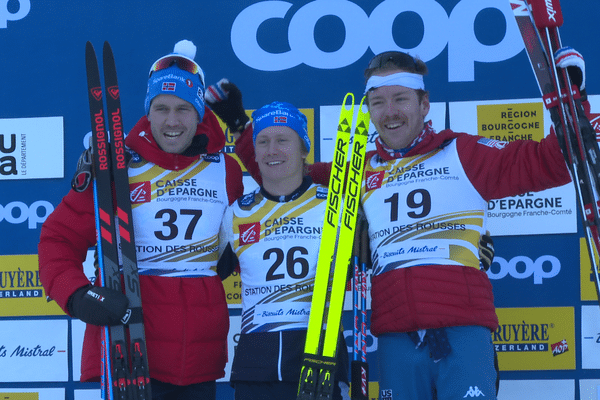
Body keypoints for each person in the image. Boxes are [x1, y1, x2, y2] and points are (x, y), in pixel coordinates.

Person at [205, 47, 590, 399]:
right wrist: (242, 127)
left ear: (424, 103)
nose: (390, 111)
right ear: (369, 109)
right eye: (378, 102)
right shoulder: (356, 171)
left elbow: (547, 162)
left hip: (462, 330)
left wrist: (572, 104)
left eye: (401, 99)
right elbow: (285, 176)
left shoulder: (462, 152)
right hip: (396, 339)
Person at [38, 40, 243, 399]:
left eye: (183, 109)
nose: (172, 121)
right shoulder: (116, 167)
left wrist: (230, 255)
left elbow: (268, 209)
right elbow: (58, 237)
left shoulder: (224, 170)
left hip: (199, 354)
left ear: (199, 114)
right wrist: (78, 294)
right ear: (148, 112)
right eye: (161, 108)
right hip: (128, 345)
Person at [217, 101, 349, 400]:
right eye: (262, 141)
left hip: (319, 361)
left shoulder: (336, 206)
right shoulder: (237, 214)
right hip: (255, 370)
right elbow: (204, 274)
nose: (271, 150)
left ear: (304, 149)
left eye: (282, 140)